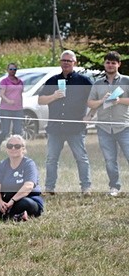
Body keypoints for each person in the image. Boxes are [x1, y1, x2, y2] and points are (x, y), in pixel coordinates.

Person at [38, 50, 93, 194]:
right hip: (55, 128)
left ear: (75, 63)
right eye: (63, 60)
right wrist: (54, 96)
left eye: (69, 61)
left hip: (75, 128)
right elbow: (40, 100)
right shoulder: (52, 80)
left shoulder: (84, 81)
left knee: (81, 158)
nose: (66, 63)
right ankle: (49, 188)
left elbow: (94, 101)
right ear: (60, 62)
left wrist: (90, 116)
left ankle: (86, 187)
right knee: (51, 159)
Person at [87, 51, 129, 197]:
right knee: (110, 160)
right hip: (104, 128)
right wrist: (101, 101)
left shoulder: (126, 81)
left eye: (113, 62)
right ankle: (114, 187)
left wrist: (119, 101)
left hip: (124, 127)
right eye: (108, 62)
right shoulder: (98, 84)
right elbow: (91, 103)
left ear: (119, 64)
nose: (110, 65)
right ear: (104, 64)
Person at [0, 135, 44, 221]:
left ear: (23, 149)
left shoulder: (29, 164)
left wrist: (12, 201)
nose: (13, 148)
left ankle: (0, 215)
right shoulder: (2, 165)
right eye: (10, 146)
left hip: (26, 199)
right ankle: (14, 216)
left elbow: (28, 187)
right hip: (6, 201)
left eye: (17, 146)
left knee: (25, 203)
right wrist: (0, 203)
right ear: (6, 149)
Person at [0, 63, 24, 153]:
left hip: (18, 109)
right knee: (5, 131)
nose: (12, 71)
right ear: (7, 70)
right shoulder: (4, 81)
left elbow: (20, 94)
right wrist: (8, 101)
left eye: (14, 69)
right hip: (6, 109)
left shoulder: (20, 82)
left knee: (17, 131)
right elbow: (1, 94)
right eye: (11, 69)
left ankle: (15, 148)